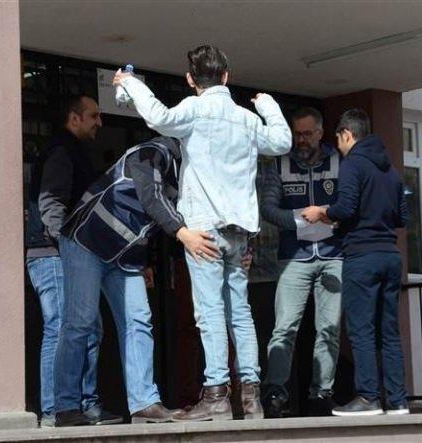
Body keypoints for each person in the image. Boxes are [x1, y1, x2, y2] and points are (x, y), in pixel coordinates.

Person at [113, 45, 292, 421]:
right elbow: (281, 143)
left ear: (191, 80)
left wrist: (131, 83)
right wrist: (268, 105)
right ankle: (251, 398)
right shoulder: (246, 119)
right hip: (240, 230)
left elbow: (158, 117)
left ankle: (216, 395)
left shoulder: (194, 109)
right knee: (239, 312)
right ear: (226, 76)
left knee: (210, 312)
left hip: (204, 227)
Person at [54, 136, 218, 426]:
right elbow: (150, 197)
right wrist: (182, 233)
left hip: (124, 257)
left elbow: (151, 221)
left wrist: (147, 262)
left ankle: (144, 404)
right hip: (86, 242)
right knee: (79, 323)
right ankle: (66, 407)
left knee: (139, 321)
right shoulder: (150, 153)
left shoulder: (186, 174)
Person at [302, 108, 409, 417]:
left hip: (362, 255)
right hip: (390, 255)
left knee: (361, 329)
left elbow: (346, 208)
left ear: (347, 134)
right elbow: (402, 216)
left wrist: (322, 213)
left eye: (338, 140)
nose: (338, 147)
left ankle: (368, 397)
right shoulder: (391, 170)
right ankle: (398, 400)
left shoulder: (353, 164)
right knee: (389, 331)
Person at [25, 95, 121, 427]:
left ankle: (84, 405)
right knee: (61, 328)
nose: (99, 123)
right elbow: (51, 206)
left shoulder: (74, 151)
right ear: (74, 118)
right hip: (52, 254)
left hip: (64, 253)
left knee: (89, 327)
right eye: (94, 116)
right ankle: (55, 410)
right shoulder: (61, 151)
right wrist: (68, 247)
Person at [260, 107, 342, 417]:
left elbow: (351, 203)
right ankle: (275, 394)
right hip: (293, 256)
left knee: (329, 329)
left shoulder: (340, 162)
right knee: (284, 329)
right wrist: (299, 220)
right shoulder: (280, 163)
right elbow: (268, 209)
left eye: (308, 134)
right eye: (297, 134)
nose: (301, 140)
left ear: (321, 132)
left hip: (334, 255)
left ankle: (321, 393)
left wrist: (328, 214)